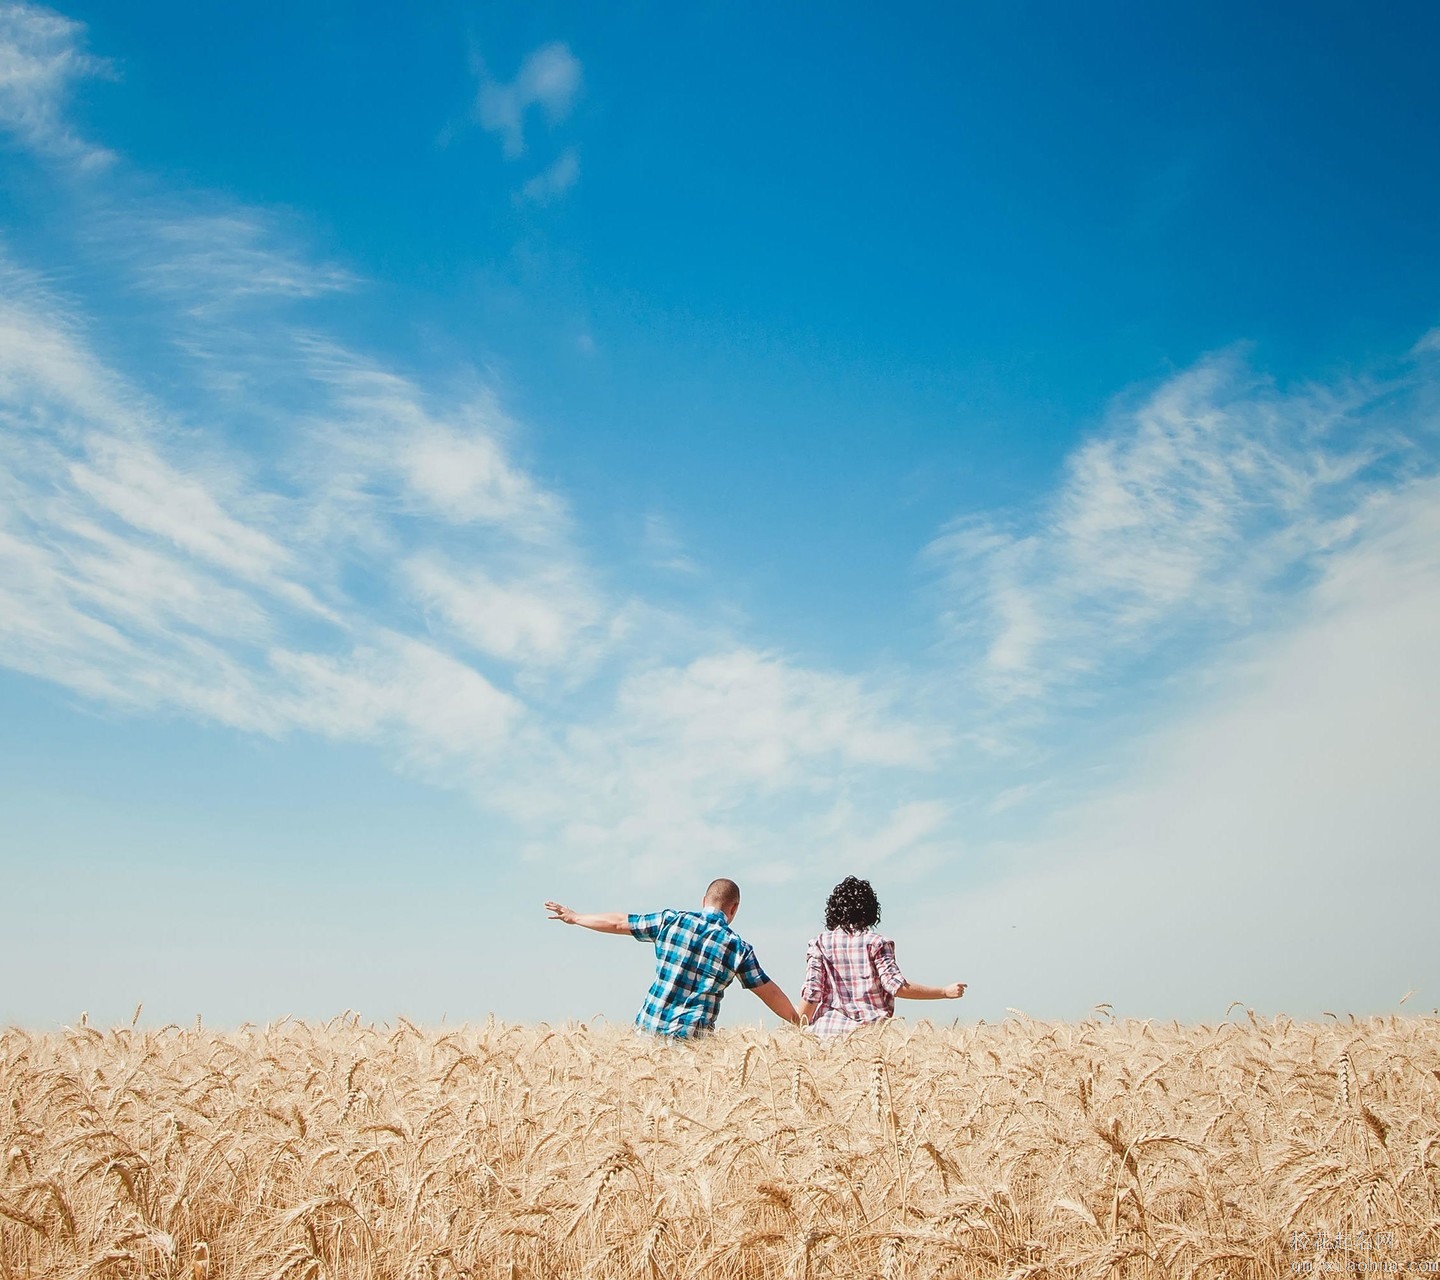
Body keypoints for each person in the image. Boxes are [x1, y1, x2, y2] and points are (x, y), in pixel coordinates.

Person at [544, 877, 800, 1037]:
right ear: (734, 909)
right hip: (690, 1046)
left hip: (645, 1034)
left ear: (704, 900)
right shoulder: (738, 948)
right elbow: (770, 993)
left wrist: (576, 917)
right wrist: (801, 1021)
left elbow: (619, 922)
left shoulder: (671, 921)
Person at [798, 875, 966, 1038]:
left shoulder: (819, 944)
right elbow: (896, 986)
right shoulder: (877, 943)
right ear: (870, 910)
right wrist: (944, 992)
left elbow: (812, 993)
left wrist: (799, 1032)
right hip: (868, 1037)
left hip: (826, 1034)